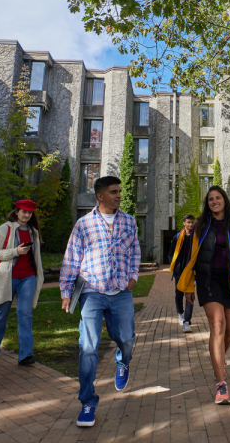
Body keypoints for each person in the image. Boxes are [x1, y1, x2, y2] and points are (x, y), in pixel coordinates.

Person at [60, 176, 141, 428]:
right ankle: (87, 402)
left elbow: (135, 250)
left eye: (120, 191)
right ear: (100, 196)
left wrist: (133, 277)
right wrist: (66, 291)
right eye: (114, 191)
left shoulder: (129, 221)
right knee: (88, 347)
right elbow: (72, 257)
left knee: (126, 339)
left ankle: (123, 360)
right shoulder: (84, 224)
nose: (119, 195)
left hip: (121, 292)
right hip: (91, 292)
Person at [178, 186, 230, 405]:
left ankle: (217, 363)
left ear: (224, 200)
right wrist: (189, 286)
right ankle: (221, 385)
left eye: (217, 197)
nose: (214, 201)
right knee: (217, 325)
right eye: (210, 199)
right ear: (207, 203)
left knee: (229, 333)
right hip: (207, 280)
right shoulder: (201, 225)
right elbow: (191, 256)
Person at [0, 199, 44, 366]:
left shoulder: (33, 231)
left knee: (25, 314)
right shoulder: (5, 229)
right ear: (17, 212)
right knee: (1, 314)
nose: (26, 215)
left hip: (28, 277)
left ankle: (26, 355)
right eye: (23, 211)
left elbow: (36, 256)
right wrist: (15, 252)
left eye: (29, 212)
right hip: (7, 277)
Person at [168, 214, 195, 333]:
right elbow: (170, 254)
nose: (190, 224)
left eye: (192, 222)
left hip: (191, 272)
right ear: (184, 223)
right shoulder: (177, 237)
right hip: (179, 272)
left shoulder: (196, 237)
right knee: (179, 295)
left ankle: (187, 322)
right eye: (188, 222)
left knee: (190, 296)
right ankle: (180, 313)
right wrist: (174, 266)